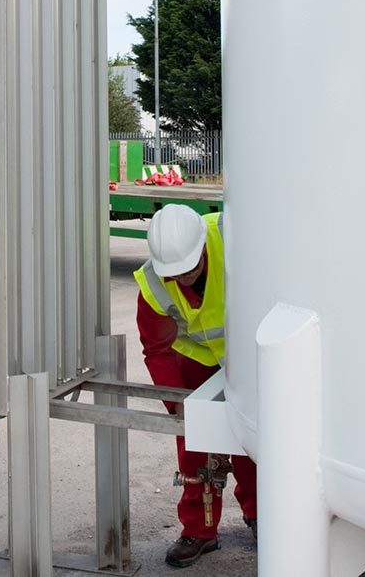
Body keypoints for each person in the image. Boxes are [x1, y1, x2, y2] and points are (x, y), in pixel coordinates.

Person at [134, 204, 258, 568]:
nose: (184, 279)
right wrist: (177, 404)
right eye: (176, 274)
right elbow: (156, 348)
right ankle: (198, 531)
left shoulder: (238, 239)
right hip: (196, 359)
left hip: (247, 353)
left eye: (190, 269)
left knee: (251, 439)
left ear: (203, 246)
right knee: (195, 446)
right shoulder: (154, 282)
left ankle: (259, 515)